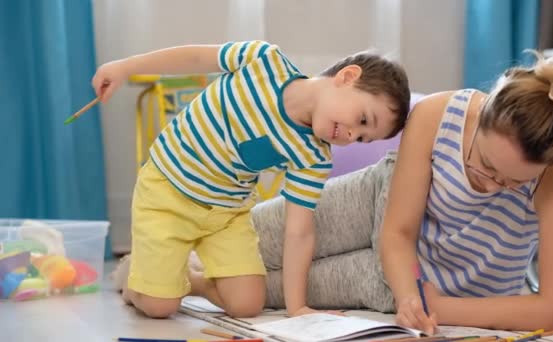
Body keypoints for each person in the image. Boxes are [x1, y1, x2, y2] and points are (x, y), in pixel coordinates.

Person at [93, 40, 410, 318]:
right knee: (159, 307)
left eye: (362, 138)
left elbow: (299, 231)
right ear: (347, 77)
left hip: (226, 215)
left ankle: (188, 278)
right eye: (363, 119)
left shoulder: (313, 156)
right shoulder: (263, 61)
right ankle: (140, 283)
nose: (352, 134)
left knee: (247, 304)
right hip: (167, 191)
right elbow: (191, 58)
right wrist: (125, 67)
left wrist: (296, 307)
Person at [381, 52, 553, 334]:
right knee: (303, 239)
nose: (492, 187)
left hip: (403, 281)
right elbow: (398, 233)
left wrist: (438, 308)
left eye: (514, 183)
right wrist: (410, 296)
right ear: (481, 114)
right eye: (486, 164)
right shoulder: (434, 115)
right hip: (382, 213)